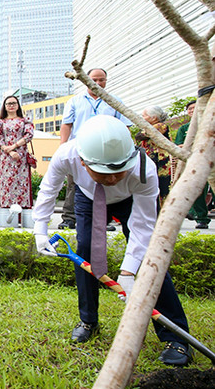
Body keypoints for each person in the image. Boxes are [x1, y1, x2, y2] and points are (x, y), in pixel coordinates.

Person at [33, 115, 192, 366]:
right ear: (83, 162)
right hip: (88, 197)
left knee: (151, 259)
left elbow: (143, 227)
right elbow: (49, 189)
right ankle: (88, 321)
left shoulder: (143, 170)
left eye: (118, 172)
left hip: (130, 199)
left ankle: (176, 338)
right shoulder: (67, 154)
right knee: (85, 250)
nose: (112, 179)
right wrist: (40, 229)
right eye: (105, 173)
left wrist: (128, 273)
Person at [58, 68, 132, 229]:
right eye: (94, 80)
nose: (98, 83)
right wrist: (62, 147)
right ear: (85, 80)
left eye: (101, 80)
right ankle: (68, 218)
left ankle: (102, 220)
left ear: (106, 81)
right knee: (73, 183)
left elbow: (125, 126)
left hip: (107, 151)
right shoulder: (75, 101)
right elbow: (66, 124)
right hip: (79, 149)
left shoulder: (114, 101)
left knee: (104, 183)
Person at [0, 95, 34, 209]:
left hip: (21, 157)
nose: (11, 106)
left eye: (14, 103)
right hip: (6, 158)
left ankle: (23, 210)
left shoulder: (25, 120)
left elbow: (29, 135)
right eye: (8, 104)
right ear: (4, 106)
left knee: (22, 183)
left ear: (18, 106)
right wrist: (10, 151)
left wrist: (14, 146)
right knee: (7, 183)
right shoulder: (0, 122)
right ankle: (7, 210)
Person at [175, 99, 209, 229]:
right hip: (193, 162)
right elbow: (179, 145)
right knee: (198, 189)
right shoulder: (184, 128)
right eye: (190, 109)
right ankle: (201, 218)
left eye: (195, 108)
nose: (192, 110)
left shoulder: (209, 124)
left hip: (209, 161)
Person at [136, 105, 172, 206]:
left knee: (163, 186)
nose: (142, 118)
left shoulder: (160, 126)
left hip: (161, 161)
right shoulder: (148, 127)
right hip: (151, 160)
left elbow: (140, 136)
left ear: (154, 118)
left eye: (144, 116)